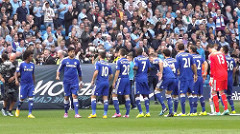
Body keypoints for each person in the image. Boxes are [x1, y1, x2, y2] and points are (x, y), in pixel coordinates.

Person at [56, 47, 83, 118]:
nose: (72, 53)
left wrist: (81, 81)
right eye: (71, 52)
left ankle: (76, 113)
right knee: (66, 97)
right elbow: (59, 69)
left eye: (73, 51)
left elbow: (80, 72)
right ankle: (66, 112)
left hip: (74, 81)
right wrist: (57, 76)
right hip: (66, 81)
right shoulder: (64, 60)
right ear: (68, 53)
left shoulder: (77, 61)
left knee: (75, 95)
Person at [88, 50, 113, 119]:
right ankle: (105, 114)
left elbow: (96, 72)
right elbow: (111, 75)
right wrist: (107, 80)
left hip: (99, 82)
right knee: (105, 98)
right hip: (106, 83)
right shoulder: (108, 64)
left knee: (93, 96)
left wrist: (92, 80)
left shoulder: (98, 63)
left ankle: (93, 113)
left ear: (99, 56)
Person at [151, 51, 175, 117]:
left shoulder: (156, 60)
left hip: (166, 78)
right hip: (173, 77)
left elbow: (160, 63)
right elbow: (171, 67)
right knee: (168, 94)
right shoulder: (164, 61)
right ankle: (171, 112)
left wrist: (161, 73)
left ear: (152, 57)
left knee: (156, 91)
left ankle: (164, 107)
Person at [176, 43, 198, 116]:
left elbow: (177, 67)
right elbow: (194, 65)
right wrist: (195, 74)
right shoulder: (189, 55)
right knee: (190, 93)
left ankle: (183, 112)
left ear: (178, 48)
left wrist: (178, 72)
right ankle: (191, 112)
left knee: (182, 94)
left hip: (183, 77)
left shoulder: (178, 56)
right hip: (190, 76)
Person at [207, 44, 229, 115]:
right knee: (222, 91)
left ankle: (217, 111)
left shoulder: (211, 55)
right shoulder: (221, 54)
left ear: (209, 49)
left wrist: (211, 78)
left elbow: (212, 67)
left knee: (213, 91)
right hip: (224, 73)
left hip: (217, 74)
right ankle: (226, 109)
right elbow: (225, 65)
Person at [15, 50, 35, 118]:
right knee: (22, 99)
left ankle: (30, 113)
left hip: (31, 84)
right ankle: (18, 108)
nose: (32, 57)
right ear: (27, 57)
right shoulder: (21, 64)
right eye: (31, 56)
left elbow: (32, 74)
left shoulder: (32, 65)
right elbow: (16, 72)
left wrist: (34, 81)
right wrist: (16, 80)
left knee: (31, 98)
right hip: (23, 84)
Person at [189, 45, 208, 116]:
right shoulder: (200, 56)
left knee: (194, 94)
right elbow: (206, 63)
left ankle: (194, 111)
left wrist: (194, 74)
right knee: (200, 94)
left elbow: (193, 66)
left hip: (194, 77)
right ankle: (204, 110)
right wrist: (205, 72)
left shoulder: (190, 57)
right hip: (200, 77)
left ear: (191, 50)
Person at [111, 48, 131, 118]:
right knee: (126, 95)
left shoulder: (119, 61)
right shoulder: (128, 61)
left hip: (121, 79)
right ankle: (127, 114)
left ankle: (117, 112)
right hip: (127, 78)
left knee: (114, 94)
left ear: (120, 53)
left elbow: (117, 72)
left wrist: (114, 82)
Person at [134, 48, 151, 118]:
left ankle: (141, 112)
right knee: (145, 95)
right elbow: (149, 68)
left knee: (137, 95)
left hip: (138, 78)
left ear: (137, 52)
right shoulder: (146, 59)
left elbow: (136, 67)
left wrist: (133, 68)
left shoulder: (136, 59)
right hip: (145, 78)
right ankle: (148, 112)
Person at [163, 49, 179, 116]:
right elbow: (178, 70)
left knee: (168, 94)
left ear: (164, 54)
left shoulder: (164, 61)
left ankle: (171, 112)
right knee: (175, 96)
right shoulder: (175, 60)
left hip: (168, 79)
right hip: (176, 78)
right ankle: (175, 111)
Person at [220, 45, 236, 114]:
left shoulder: (222, 59)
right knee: (229, 95)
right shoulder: (232, 59)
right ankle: (233, 109)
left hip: (223, 79)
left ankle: (225, 109)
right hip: (230, 78)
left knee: (222, 94)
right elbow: (234, 69)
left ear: (223, 51)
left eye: (221, 50)